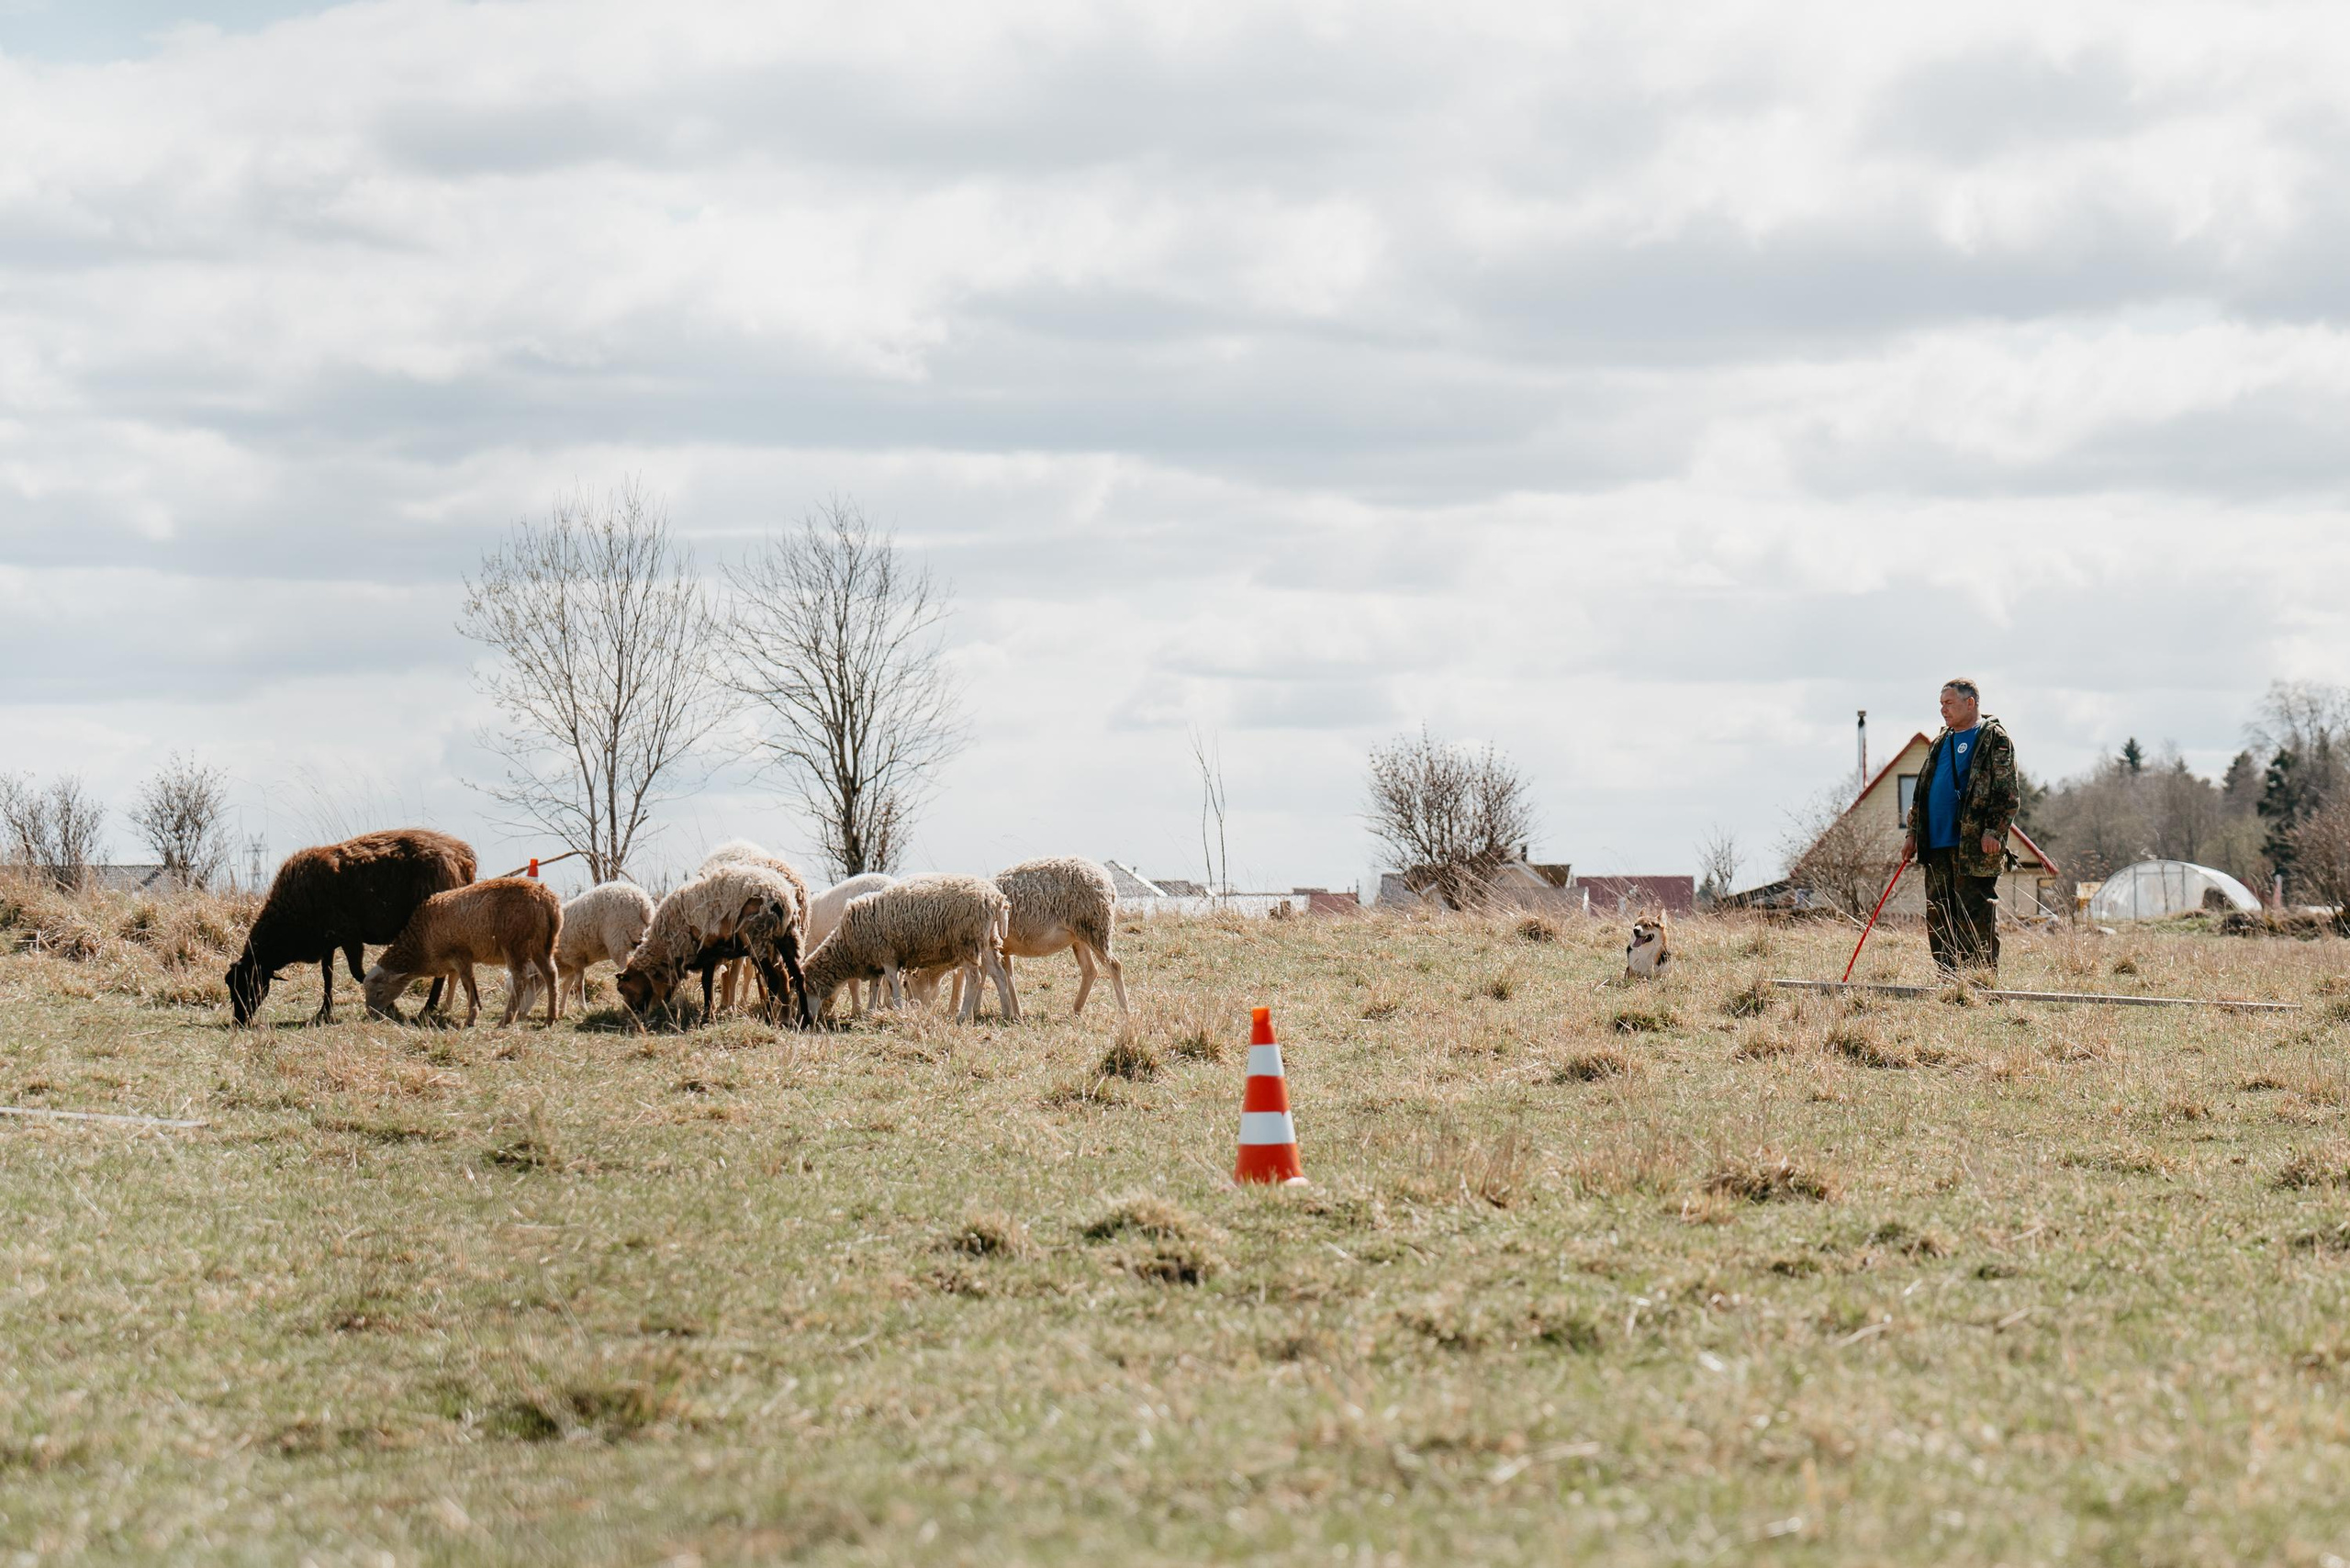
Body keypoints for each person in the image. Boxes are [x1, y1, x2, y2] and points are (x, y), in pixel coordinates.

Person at [1901, 678, 2020, 977]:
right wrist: (1912, 834)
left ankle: (1979, 979)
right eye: (1941, 704)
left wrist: (1994, 830)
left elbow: (2007, 790)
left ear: (1971, 703)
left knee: (1975, 913)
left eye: (1949, 703)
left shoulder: (1993, 738)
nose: (1943, 710)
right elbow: (1921, 791)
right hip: (1935, 843)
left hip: (1973, 846)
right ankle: (1949, 978)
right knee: (1939, 913)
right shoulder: (1941, 741)